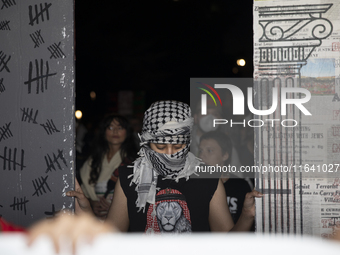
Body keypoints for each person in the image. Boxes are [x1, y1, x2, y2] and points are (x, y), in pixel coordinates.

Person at [104, 100, 262, 232]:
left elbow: (227, 243)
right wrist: (84, 210)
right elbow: (110, 240)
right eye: (161, 147)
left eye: (179, 146)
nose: (171, 153)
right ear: (147, 143)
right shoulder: (129, 177)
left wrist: (246, 215)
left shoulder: (207, 177)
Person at [80, 114, 138, 219]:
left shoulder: (135, 161)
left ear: (127, 132)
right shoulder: (92, 161)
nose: (115, 131)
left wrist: (117, 207)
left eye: (120, 128)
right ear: (104, 132)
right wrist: (93, 203)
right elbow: (83, 192)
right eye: (110, 127)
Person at [198, 131, 252, 225]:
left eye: (209, 151)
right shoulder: (196, 184)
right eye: (201, 151)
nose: (202, 156)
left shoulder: (240, 185)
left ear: (225, 155)